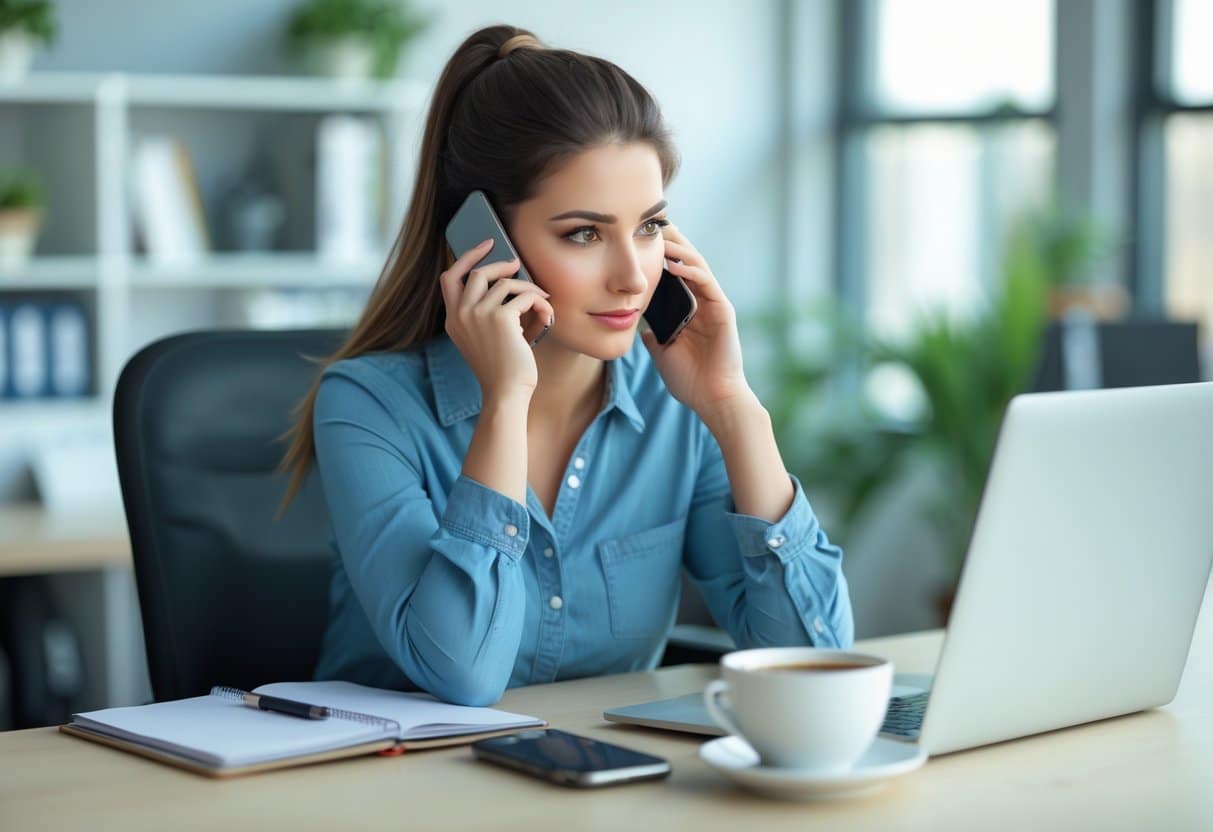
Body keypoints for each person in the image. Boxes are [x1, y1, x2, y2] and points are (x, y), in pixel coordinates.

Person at [277, 24, 853, 707]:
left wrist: (732, 406)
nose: (633, 277)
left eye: (648, 227)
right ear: (483, 241)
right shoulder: (369, 407)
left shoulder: (676, 407)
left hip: (607, 769)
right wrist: (504, 401)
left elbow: (813, 663)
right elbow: (463, 673)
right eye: (584, 234)